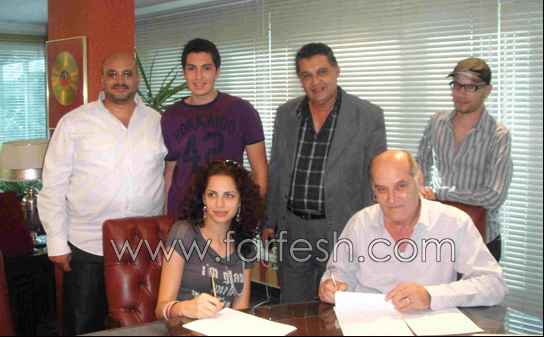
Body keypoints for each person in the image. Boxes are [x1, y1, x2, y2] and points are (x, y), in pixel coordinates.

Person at [38, 52, 167, 335]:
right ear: (101, 79)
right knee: (84, 326)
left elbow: (168, 177)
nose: (120, 80)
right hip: (88, 247)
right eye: (112, 74)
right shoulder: (74, 123)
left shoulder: (157, 122)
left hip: (143, 247)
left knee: (145, 328)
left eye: (127, 74)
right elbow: (53, 185)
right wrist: (56, 243)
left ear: (137, 79)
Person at [261, 42, 387, 303]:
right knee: (293, 307)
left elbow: (376, 178)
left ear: (336, 71)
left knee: (337, 307)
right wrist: (269, 220)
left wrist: (373, 230)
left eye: (322, 72)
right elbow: (277, 169)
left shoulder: (368, 115)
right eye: (306, 75)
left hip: (342, 228)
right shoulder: (286, 114)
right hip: (293, 228)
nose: (315, 82)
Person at [319, 150, 507, 311]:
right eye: (382, 190)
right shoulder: (360, 222)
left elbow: (493, 284)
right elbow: (339, 273)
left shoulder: (453, 222)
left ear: (419, 180)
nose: (392, 199)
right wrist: (331, 286)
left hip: (429, 325)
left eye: (401, 186)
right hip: (368, 322)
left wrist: (431, 296)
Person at [416, 58, 512, 261]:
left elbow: (494, 196)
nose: (461, 93)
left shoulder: (498, 135)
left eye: (471, 87)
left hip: (481, 237)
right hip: (441, 232)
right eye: (457, 85)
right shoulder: (436, 122)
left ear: (487, 91)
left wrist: (440, 193)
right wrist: (420, 188)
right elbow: (420, 165)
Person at [161, 38, 268, 215]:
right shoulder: (171, 116)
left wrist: (252, 215)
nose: (199, 76)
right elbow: (169, 172)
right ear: (184, 73)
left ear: (217, 71)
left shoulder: (241, 110)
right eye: (191, 68)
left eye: (206, 68)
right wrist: (165, 214)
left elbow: (260, 171)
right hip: (182, 215)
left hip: (223, 213)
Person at [156, 159, 265, 319]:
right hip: (182, 327)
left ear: (240, 201)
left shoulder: (244, 245)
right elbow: (160, 310)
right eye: (212, 194)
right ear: (203, 198)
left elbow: (240, 311)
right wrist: (184, 308)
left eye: (229, 196)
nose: (219, 204)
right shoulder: (184, 233)